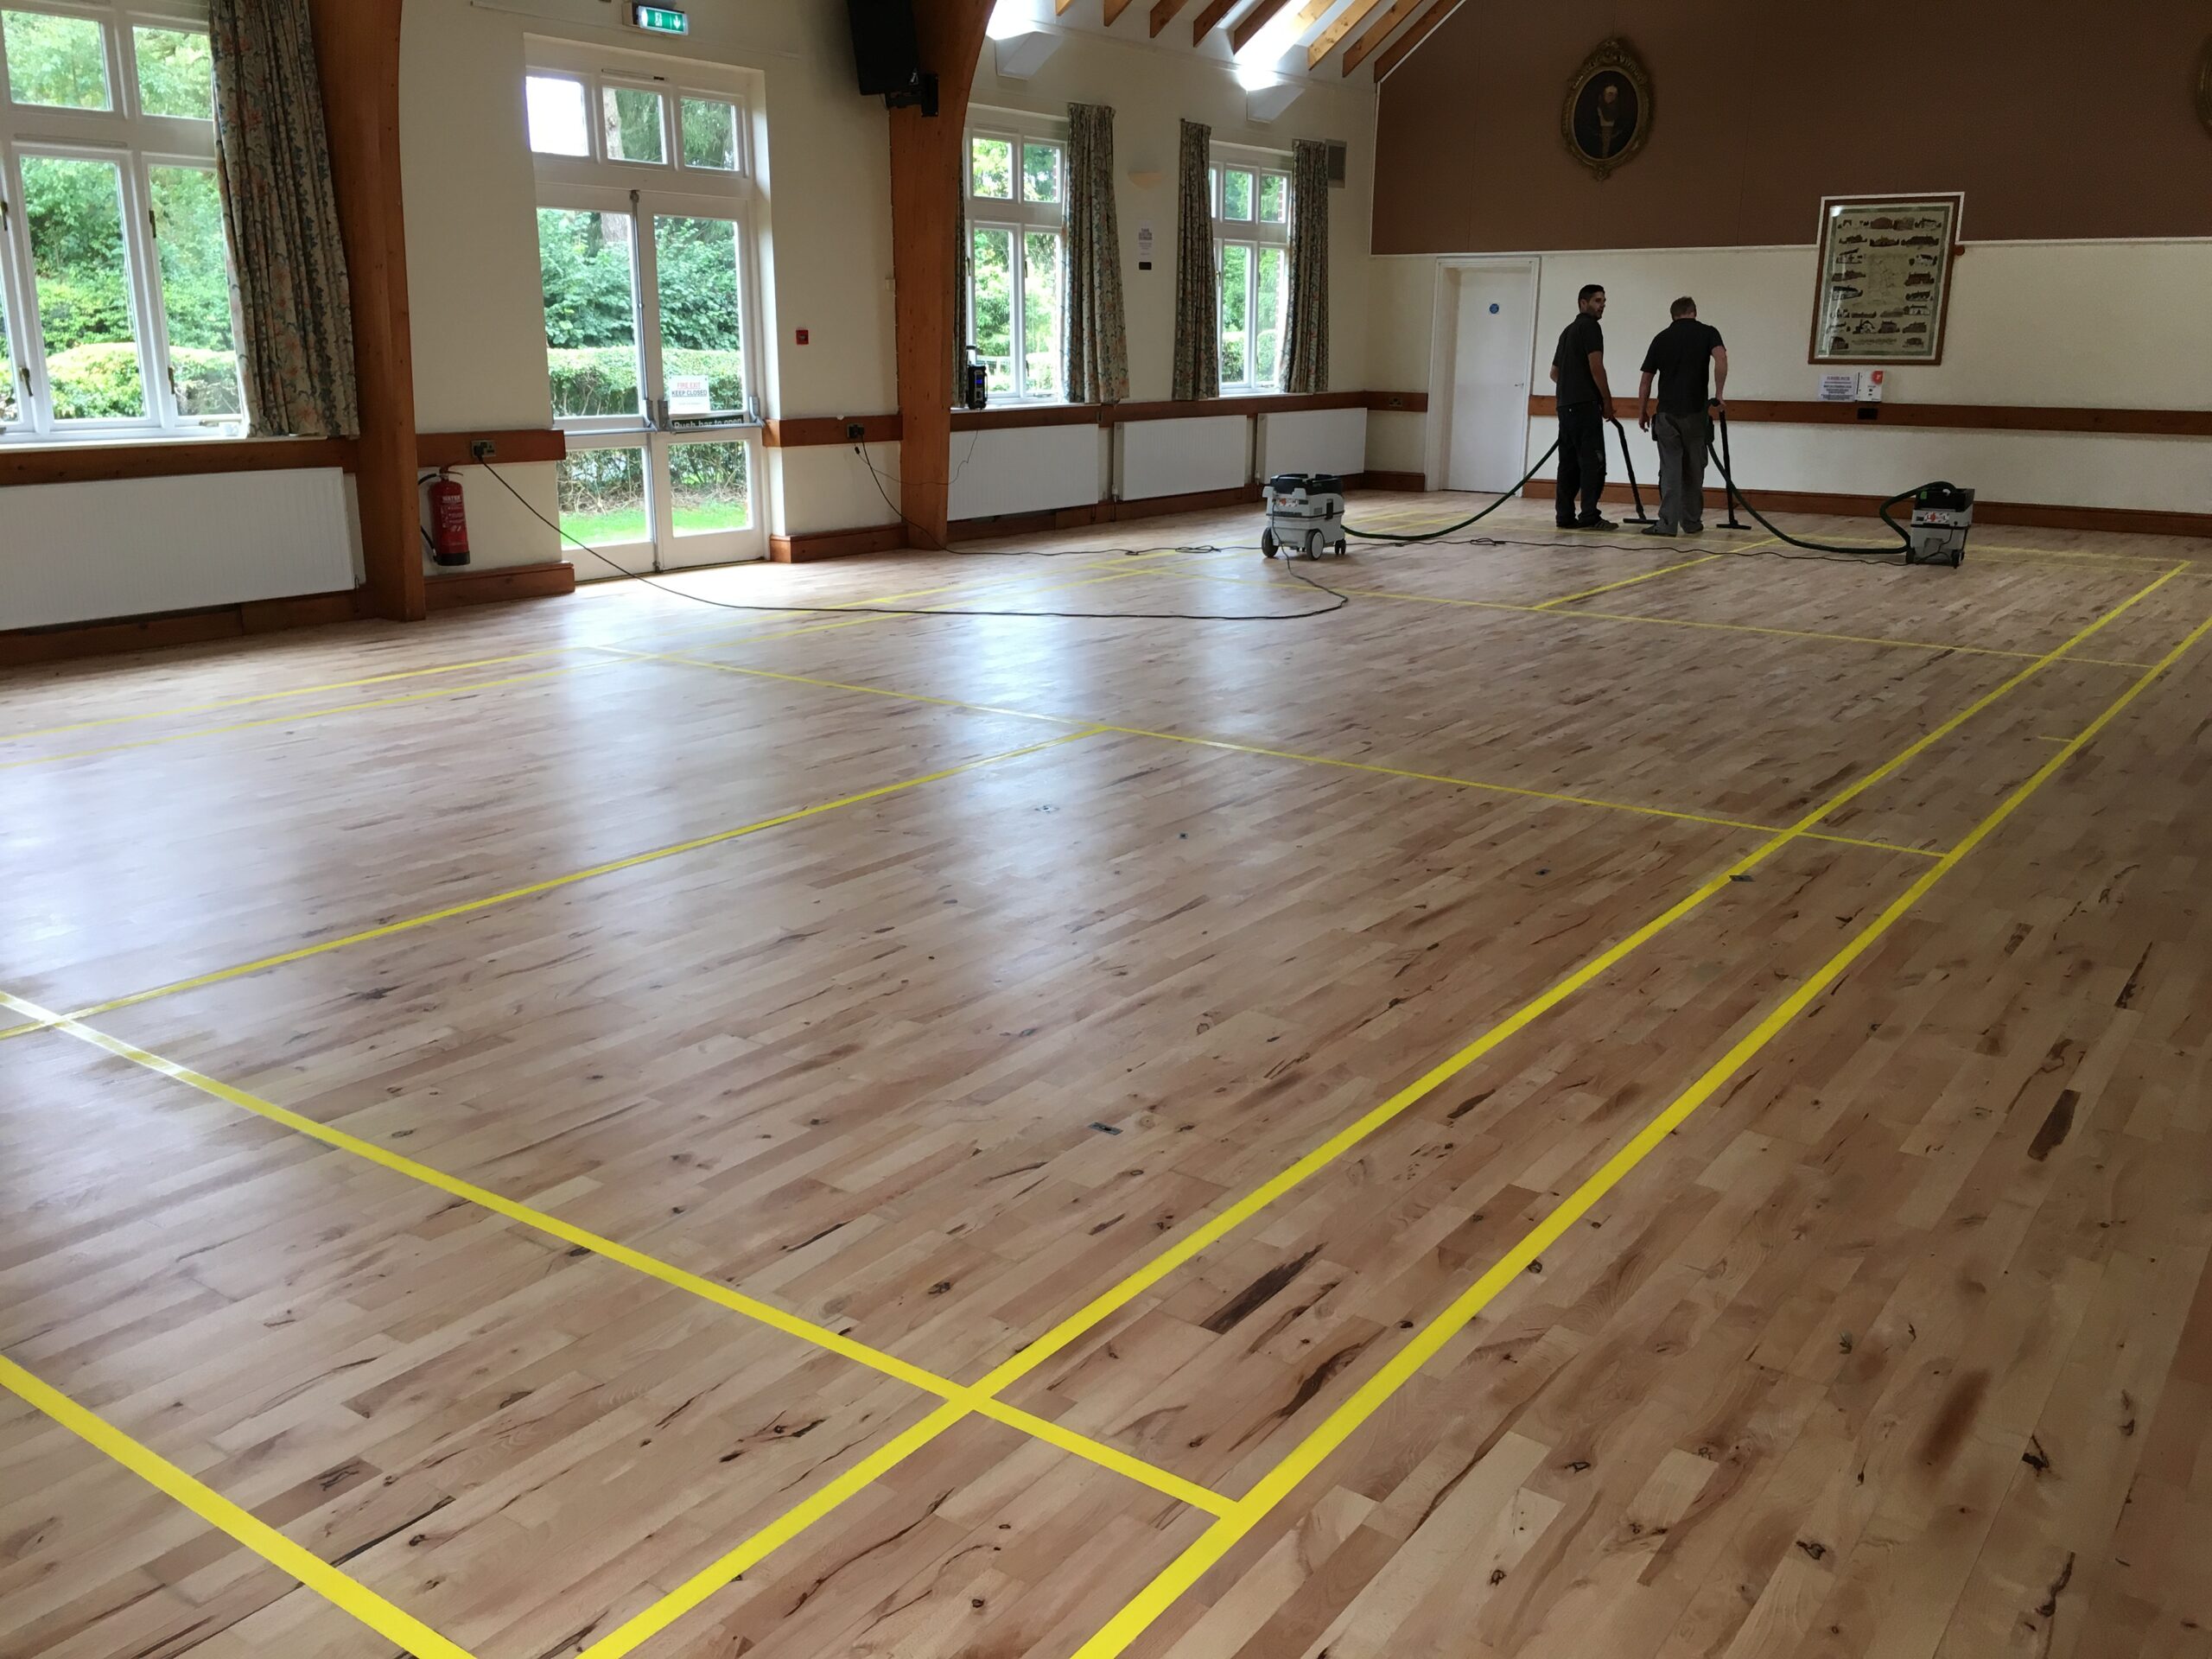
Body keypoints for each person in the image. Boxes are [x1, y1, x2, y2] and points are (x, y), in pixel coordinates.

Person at [1636, 296, 1728, 537]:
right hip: (1696, 412)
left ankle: (1667, 524)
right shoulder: (1708, 332)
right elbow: (1721, 359)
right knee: (1694, 469)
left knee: (1670, 470)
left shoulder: (1661, 338)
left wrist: (1642, 411)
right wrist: (1718, 394)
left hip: (1666, 413)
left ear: (1673, 315)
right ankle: (1692, 522)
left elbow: (1646, 380)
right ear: (1694, 312)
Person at [1548, 284, 1615, 531]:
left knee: (1568, 464)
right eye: (1598, 300)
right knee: (1593, 462)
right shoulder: (1591, 327)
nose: (1602, 305)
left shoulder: (1567, 332)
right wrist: (1606, 401)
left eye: (1604, 301)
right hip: (1585, 407)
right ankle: (1589, 515)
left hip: (1565, 406)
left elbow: (1554, 373)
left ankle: (1564, 516)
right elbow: (1596, 366)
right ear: (1583, 303)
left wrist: (1571, 386)